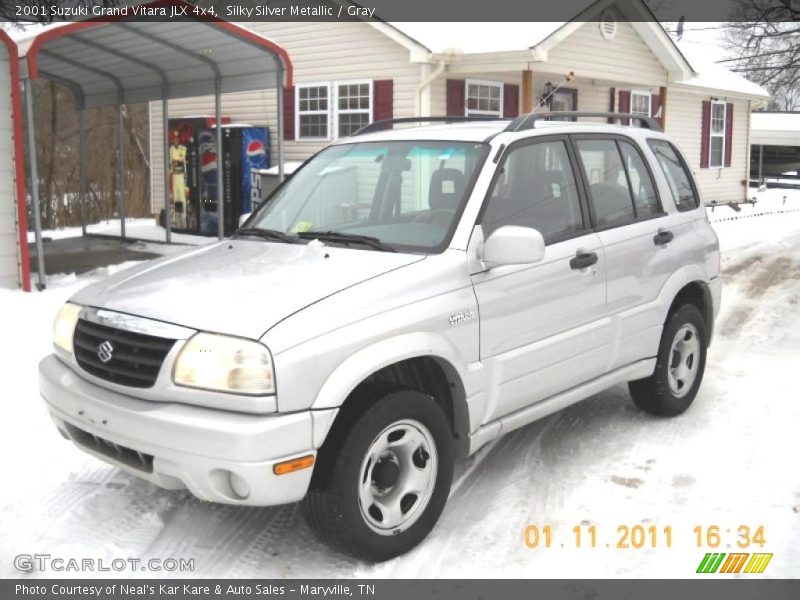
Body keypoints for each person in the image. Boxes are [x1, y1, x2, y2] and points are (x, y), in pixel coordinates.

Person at [169, 130, 189, 229]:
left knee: (182, 197)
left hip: (181, 175)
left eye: (177, 139)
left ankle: (184, 217)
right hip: (174, 175)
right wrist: (176, 159)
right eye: (174, 139)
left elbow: (181, 158)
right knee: (176, 197)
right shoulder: (171, 148)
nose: (175, 141)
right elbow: (172, 158)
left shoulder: (183, 148)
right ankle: (176, 219)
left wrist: (176, 159)